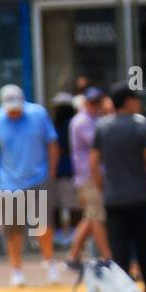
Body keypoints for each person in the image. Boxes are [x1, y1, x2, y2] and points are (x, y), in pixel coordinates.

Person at [90, 84, 146, 292]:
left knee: (120, 252)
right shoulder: (141, 126)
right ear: (127, 101)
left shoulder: (102, 127)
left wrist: (103, 187)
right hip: (141, 198)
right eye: (136, 99)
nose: (138, 103)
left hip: (114, 199)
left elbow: (94, 163)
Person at [0, 84, 60, 287]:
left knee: (43, 225)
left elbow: (52, 144)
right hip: (9, 181)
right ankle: (16, 270)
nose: (14, 112)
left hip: (38, 177)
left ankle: (49, 262)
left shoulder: (38, 114)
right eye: (11, 108)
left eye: (17, 107)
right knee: (12, 229)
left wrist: (51, 173)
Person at [66, 87, 112, 267]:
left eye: (98, 102)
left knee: (90, 217)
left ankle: (73, 255)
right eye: (93, 102)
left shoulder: (96, 120)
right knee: (97, 216)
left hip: (94, 175)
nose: (96, 106)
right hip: (89, 177)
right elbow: (100, 144)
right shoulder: (82, 122)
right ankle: (108, 257)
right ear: (86, 103)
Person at [49, 92, 80, 249]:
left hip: (66, 169)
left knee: (69, 203)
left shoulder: (68, 124)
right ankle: (67, 233)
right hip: (64, 169)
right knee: (67, 203)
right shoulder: (59, 124)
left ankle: (70, 233)